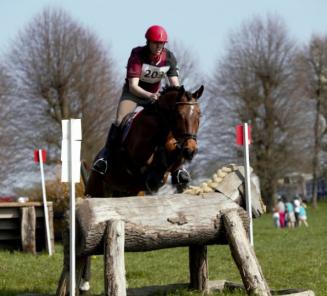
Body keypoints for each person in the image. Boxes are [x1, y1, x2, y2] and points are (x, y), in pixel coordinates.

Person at [92, 25, 180, 175]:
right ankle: (105, 158)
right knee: (119, 120)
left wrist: (180, 99)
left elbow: (175, 85)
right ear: (148, 42)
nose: (159, 46)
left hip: (154, 96)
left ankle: (178, 167)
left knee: (172, 122)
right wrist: (149, 96)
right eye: (155, 43)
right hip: (133, 95)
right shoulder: (138, 55)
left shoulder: (169, 58)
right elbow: (133, 86)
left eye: (161, 43)